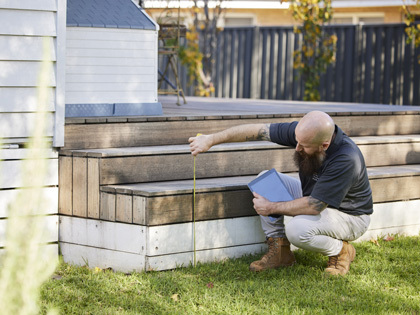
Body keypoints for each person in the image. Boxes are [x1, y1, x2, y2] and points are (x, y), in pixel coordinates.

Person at [188, 111, 373, 276]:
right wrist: (211, 139)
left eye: (304, 145)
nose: (297, 148)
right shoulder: (306, 133)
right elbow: (257, 130)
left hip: (350, 216)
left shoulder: (346, 158)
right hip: (317, 196)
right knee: (264, 180)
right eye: (297, 141)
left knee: (297, 229)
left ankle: (341, 250)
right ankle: (281, 252)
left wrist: (270, 207)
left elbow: (315, 205)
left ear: (324, 145)